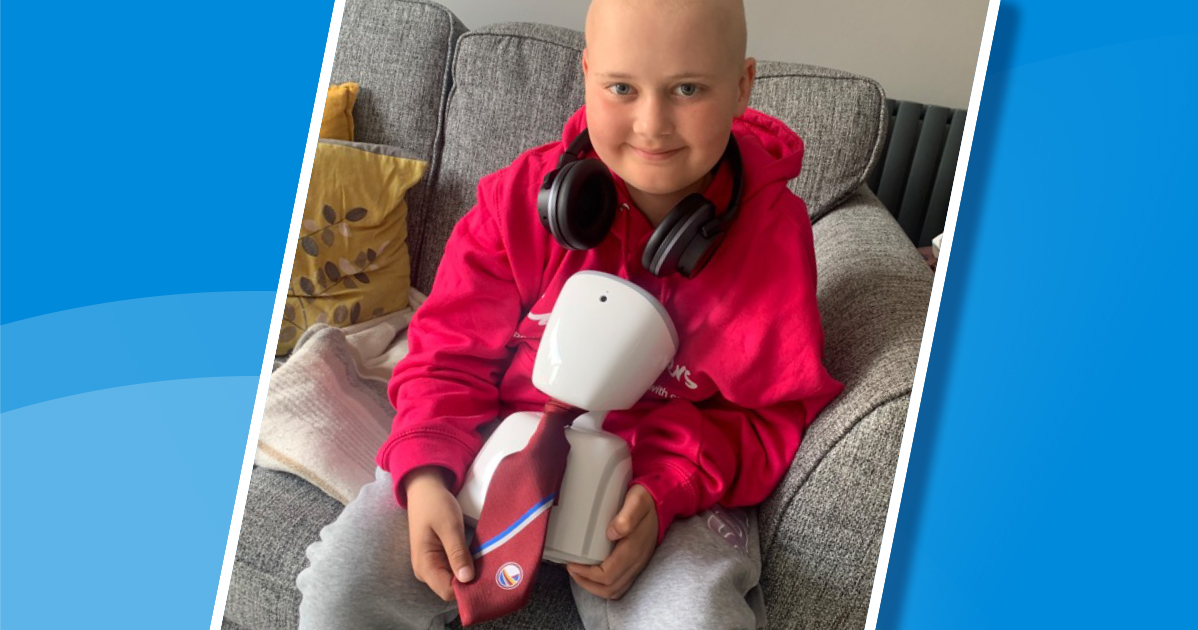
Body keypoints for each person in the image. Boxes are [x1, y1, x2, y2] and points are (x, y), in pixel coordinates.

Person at [296, 0, 843, 627]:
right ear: (586, 74)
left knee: (693, 618)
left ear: (743, 86)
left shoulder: (772, 238)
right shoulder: (513, 201)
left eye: (687, 89)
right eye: (621, 88)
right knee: (344, 587)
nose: (652, 124)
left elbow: (769, 414)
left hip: (653, 479)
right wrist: (424, 472)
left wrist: (669, 486)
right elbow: (445, 354)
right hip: (494, 445)